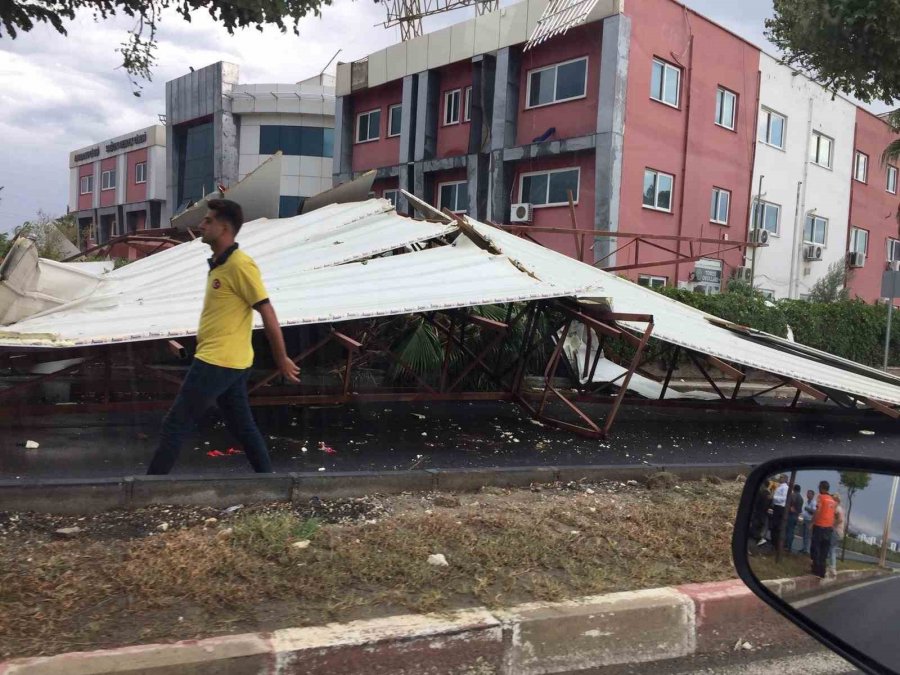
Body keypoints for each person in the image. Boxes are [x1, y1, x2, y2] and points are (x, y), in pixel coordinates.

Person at [146, 199, 300, 475]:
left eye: (208, 221)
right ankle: (270, 483)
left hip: (218, 360)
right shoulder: (220, 264)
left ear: (224, 228)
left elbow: (267, 311)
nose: (201, 225)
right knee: (242, 426)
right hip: (231, 360)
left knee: (176, 423)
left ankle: (146, 491)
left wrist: (281, 358)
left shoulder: (240, 265)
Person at [810, 481, 837, 578]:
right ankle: (822, 571)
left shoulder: (821, 497)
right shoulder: (832, 500)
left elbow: (818, 510)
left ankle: (816, 569)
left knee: (816, 548)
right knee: (824, 550)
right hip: (829, 528)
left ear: (821, 488)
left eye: (819, 487)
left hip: (820, 526)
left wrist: (812, 522)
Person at [770, 475, 789, 551]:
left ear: (785, 479)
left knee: (777, 527)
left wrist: (773, 497)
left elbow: (783, 499)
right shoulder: (779, 487)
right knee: (774, 526)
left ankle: (776, 545)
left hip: (780, 508)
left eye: (781, 477)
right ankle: (773, 544)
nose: (779, 478)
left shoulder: (785, 488)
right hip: (776, 507)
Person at [828, 494, 845, 577]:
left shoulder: (837, 509)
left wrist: (832, 525)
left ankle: (832, 568)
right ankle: (831, 566)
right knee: (832, 549)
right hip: (839, 532)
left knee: (832, 549)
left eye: (834, 499)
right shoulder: (839, 509)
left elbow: (840, 520)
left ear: (837, 501)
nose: (832, 500)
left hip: (836, 531)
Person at [785, 484, 803, 554]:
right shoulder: (801, 498)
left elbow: (789, 506)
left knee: (788, 531)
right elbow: (800, 510)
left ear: (794, 489)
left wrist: (790, 508)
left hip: (790, 515)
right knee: (792, 531)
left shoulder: (792, 495)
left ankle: (786, 545)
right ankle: (789, 546)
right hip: (796, 516)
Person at [801, 489, 817, 555]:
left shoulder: (814, 502)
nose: (808, 495)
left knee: (807, 535)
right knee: (804, 535)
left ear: (813, 495)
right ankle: (804, 548)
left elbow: (814, 512)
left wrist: (807, 509)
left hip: (809, 520)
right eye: (807, 493)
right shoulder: (807, 501)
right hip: (805, 519)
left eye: (809, 494)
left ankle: (806, 550)